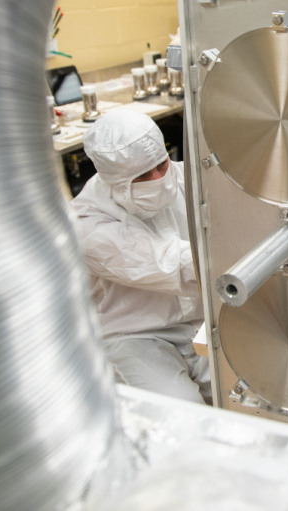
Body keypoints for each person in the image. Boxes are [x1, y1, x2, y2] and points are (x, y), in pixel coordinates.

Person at [71, 110, 211, 404]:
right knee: (184, 414)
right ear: (114, 180)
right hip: (135, 334)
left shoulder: (186, 177)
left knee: (245, 395)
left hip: (202, 318)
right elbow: (171, 264)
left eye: (161, 165)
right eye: (143, 176)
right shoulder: (85, 223)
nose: (159, 179)